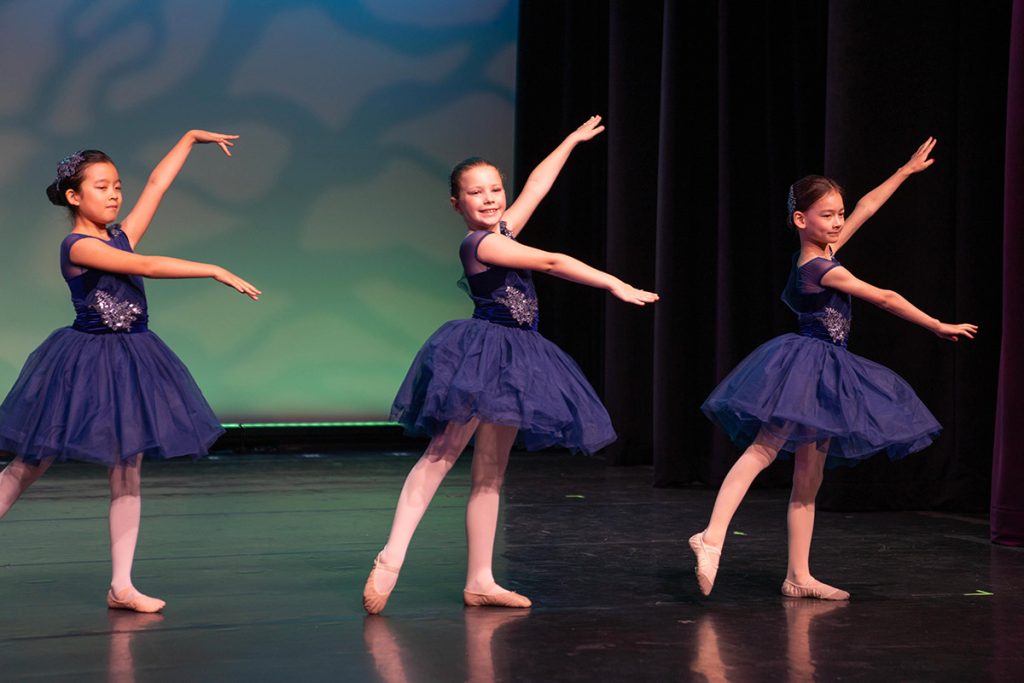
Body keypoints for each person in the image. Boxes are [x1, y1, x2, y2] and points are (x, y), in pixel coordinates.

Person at [364, 115, 658, 613]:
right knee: (442, 454)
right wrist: (614, 283)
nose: (490, 198)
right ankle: (391, 557)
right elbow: (549, 261)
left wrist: (568, 141)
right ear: (457, 204)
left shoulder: (503, 228)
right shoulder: (480, 242)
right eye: (476, 193)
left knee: (492, 470)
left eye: (495, 189)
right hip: (481, 352)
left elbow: (537, 187)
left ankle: (480, 579)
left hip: (516, 357)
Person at [692, 137, 976, 600]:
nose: (839, 221)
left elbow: (867, 206)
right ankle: (711, 535)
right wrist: (936, 324)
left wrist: (904, 171)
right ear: (801, 220)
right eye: (828, 215)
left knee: (810, 478)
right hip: (806, 366)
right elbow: (883, 297)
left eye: (838, 213)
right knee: (764, 451)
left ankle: (798, 576)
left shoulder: (828, 247)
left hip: (825, 371)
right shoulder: (819, 268)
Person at [0, 130, 260, 613]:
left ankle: (122, 585)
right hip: (82, 363)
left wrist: (187, 140)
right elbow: (146, 265)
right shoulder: (77, 245)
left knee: (128, 469)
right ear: (75, 196)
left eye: (117, 184)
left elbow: (158, 184)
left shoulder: (119, 234)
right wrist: (213, 269)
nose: (115, 193)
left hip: (132, 360)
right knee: (29, 463)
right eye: (102, 185)